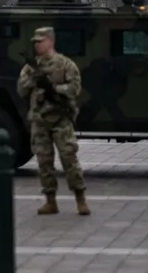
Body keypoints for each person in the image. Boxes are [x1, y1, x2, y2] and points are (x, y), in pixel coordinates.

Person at [17, 26, 90, 216]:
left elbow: (74, 89)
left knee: (69, 158)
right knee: (44, 161)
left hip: (60, 119)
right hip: (39, 120)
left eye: (40, 41)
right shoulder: (31, 67)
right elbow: (21, 90)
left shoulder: (65, 64)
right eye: (35, 42)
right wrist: (33, 80)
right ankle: (50, 201)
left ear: (50, 41)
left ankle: (80, 198)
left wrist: (54, 89)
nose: (37, 45)